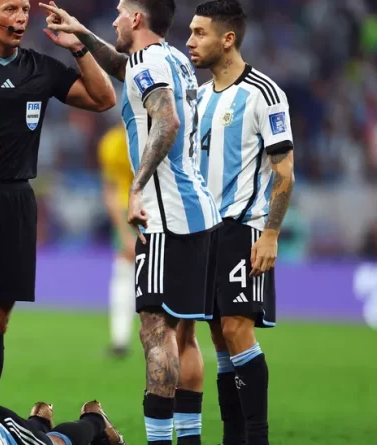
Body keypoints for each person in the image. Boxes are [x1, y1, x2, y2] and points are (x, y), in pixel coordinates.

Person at [40, 1, 222, 444]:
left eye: (121, 11)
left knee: (155, 331)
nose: (117, 18)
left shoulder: (149, 64)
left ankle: (159, 439)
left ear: (137, 18)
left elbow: (167, 121)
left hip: (165, 218)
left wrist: (137, 185)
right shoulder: (173, 59)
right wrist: (82, 35)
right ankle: (189, 438)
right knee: (184, 335)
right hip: (200, 214)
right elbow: (125, 67)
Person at [0, 0, 116, 404]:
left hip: (15, 201)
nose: (20, 17)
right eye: (9, 8)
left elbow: (103, 99)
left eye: (23, 9)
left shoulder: (40, 68)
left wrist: (78, 46)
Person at [187, 1, 296, 444]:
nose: (190, 41)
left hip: (244, 227)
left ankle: (257, 437)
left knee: (236, 328)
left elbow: (284, 169)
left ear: (227, 39)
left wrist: (270, 233)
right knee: (219, 337)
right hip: (205, 232)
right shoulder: (199, 95)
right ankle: (234, 437)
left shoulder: (264, 93)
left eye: (199, 33)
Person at [98, 122, 136, 358]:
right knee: (124, 269)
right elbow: (110, 191)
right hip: (126, 209)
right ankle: (120, 339)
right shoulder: (111, 144)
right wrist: (124, 233)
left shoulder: (161, 134)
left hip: (158, 207)